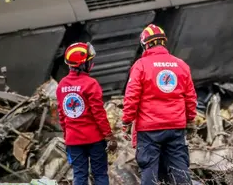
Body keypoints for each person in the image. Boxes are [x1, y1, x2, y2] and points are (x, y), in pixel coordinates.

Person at [121, 24, 197, 185]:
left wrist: (127, 120)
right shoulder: (181, 65)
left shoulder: (141, 66)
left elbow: (131, 96)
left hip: (149, 129)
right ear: (163, 42)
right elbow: (190, 97)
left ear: (146, 44)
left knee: (149, 168)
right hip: (176, 126)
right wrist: (190, 119)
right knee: (180, 167)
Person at [56, 42, 117, 185]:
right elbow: (99, 114)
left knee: (79, 175)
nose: (91, 63)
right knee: (100, 174)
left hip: (73, 140)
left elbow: (62, 115)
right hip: (94, 139)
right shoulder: (91, 84)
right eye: (89, 60)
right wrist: (109, 136)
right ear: (82, 64)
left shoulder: (61, 85)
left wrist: (67, 137)